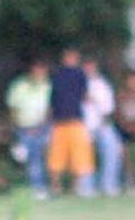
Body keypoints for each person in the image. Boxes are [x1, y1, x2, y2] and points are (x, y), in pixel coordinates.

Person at [45, 49, 95, 197]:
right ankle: (56, 187)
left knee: (78, 156)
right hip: (59, 122)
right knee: (56, 156)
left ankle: (75, 187)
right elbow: (52, 98)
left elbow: (84, 95)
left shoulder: (80, 75)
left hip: (75, 121)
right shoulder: (57, 75)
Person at [5, 60, 53, 198]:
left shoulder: (48, 85)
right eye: (38, 70)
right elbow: (13, 108)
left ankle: (42, 187)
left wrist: (41, 125)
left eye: (43, 71)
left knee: (41, 158)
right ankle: (35, 188)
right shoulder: (19, 86)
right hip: (24, 127)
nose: (40, 73)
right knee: (29, 159)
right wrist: (17, 126)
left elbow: (50, 107)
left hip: (43, 127)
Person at [83, 58, 123, 197]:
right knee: (84, 153)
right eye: (87, 66)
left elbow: (108, 108)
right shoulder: (77, 84)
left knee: (113, 148)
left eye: (91, 66)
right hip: (82, 126)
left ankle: (109, 185)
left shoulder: (103, 85)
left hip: (102, 124)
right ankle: (86, 187)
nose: (89, 69)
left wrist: (103, 120)